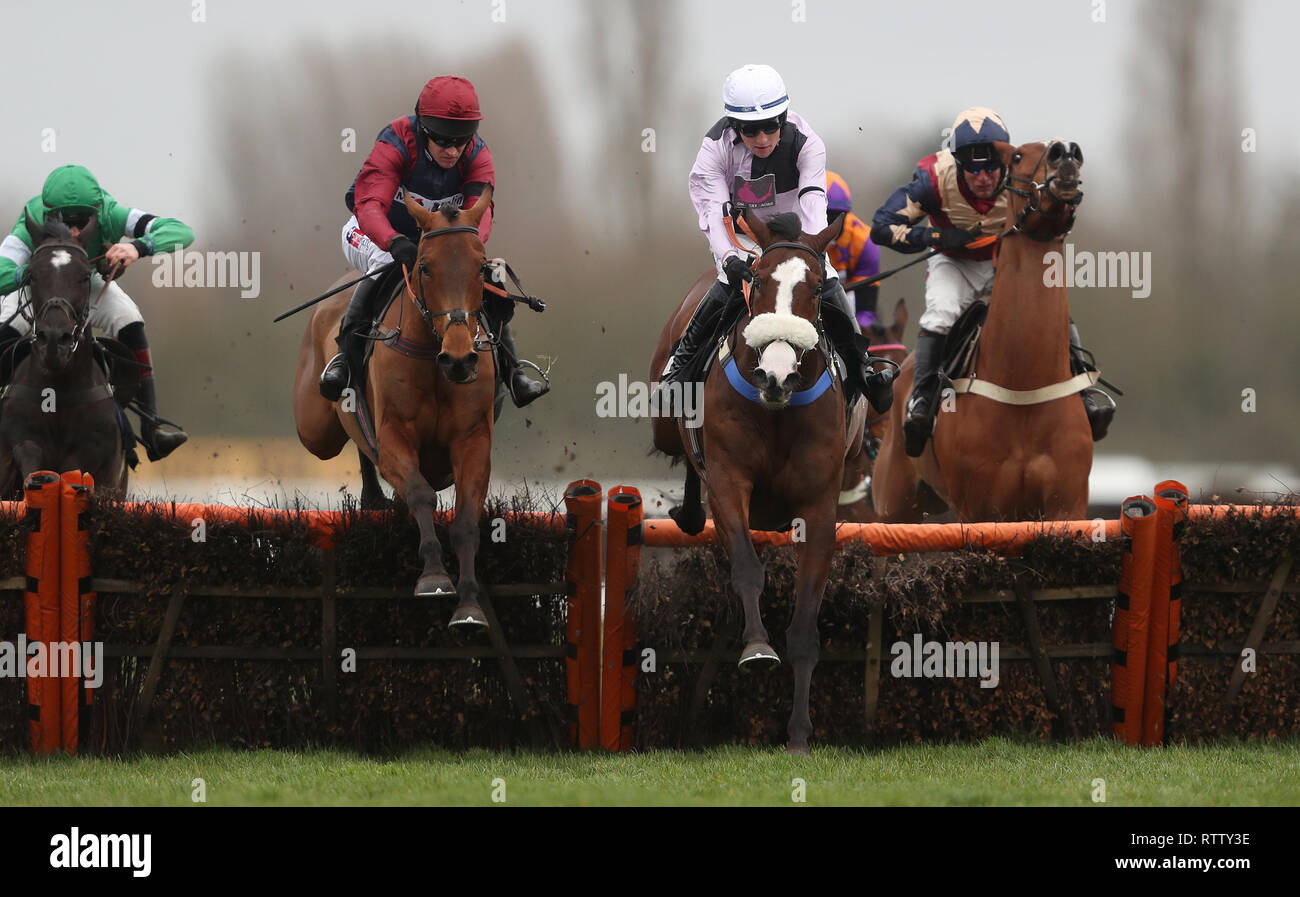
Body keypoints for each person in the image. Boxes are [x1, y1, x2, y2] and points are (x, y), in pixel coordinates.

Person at [870, 106, 1112, 456]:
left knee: (1049, 311)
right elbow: (882, 226)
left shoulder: (1021, 174)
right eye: (972, 167)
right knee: (941, 311)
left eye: (991, 167)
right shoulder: (935, 177)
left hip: (1006, 264)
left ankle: (1085, 393)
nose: (982, 177)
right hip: (953, 264)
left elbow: (1057, 167)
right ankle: (922, 400)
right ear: (957, 163)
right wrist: (939, 239)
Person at [661, 64, 885, 407]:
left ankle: (862, 366)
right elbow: (714, 214)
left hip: (797, 235)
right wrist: (730, 258)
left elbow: (813, 202)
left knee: (825, 276)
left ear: (783, 117)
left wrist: (810, 251)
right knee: (726, 279)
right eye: (751, 131)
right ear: (735, 126)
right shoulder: (714, 149)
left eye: (771, 126)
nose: (763, 139)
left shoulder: (808, 142)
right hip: (743, 235)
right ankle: (678, 367)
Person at [319, 75, 548, 407]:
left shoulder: (478, 155)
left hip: (439, 241)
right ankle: (345, 357)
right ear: (423, 129)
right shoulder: (395, 142)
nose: (453, 151)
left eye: (461, 141)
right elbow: (369, 206)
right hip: (374, 232)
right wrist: (394, 241)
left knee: (489, 272)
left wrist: (466, 249)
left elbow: (480, 215)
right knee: (387, 263)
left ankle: (513, 371)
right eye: (442, 141)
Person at [0, 163, 190, 460]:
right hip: (39, 283)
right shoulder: (30, 221)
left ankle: (152, 428)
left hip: (85, 283)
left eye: (83, 221)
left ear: (98, 212)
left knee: (130, 321)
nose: (75, 230)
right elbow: (2, 269)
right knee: (6, 328)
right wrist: (32, 273)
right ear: (48, 216)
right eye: (65, 221)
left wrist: (138, 248)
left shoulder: (113, 212)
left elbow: (181, 231)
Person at [825, 171, 882, 330]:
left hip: (843, 301)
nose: (826, 224)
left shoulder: (865, 242)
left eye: (832, 216)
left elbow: (865, 310)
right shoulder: (790, 234)